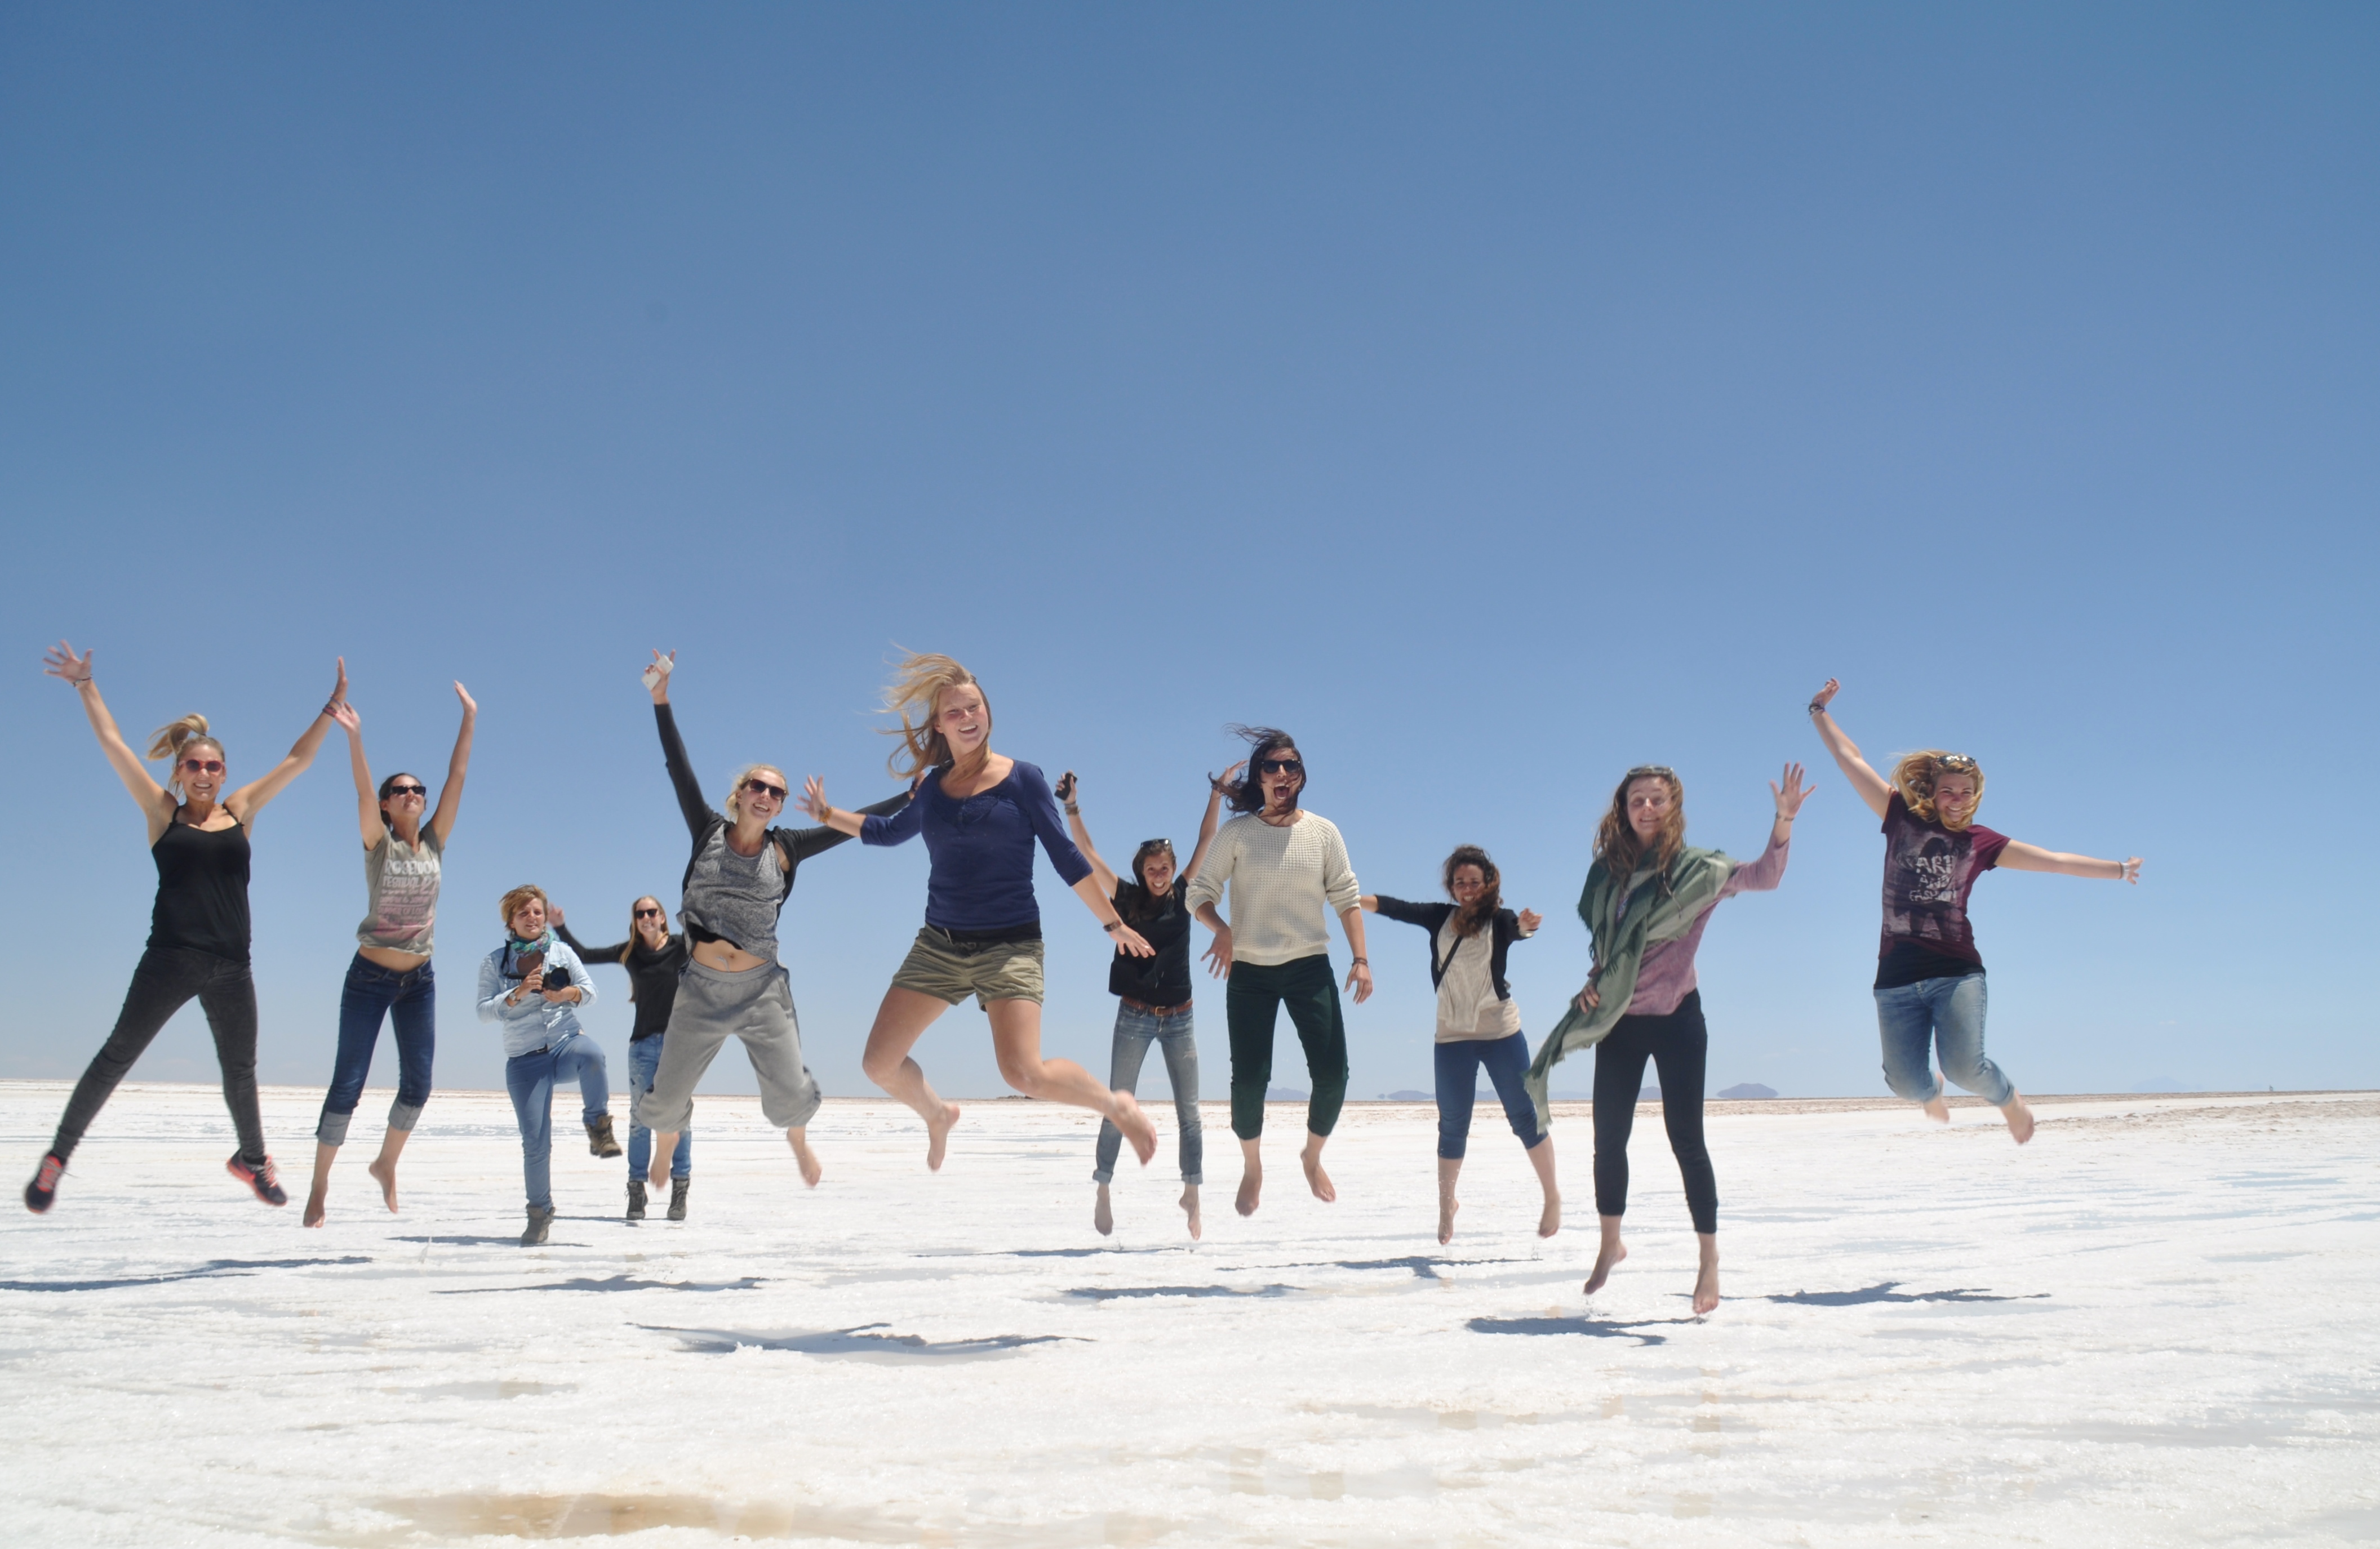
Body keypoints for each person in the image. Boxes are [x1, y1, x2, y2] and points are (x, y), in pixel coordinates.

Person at [799, 652, 1161, 1173]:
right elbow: (888, 833)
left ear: (988, 712)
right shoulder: (931, 788)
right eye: (954, 712)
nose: (967, 718)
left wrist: (1112, 922)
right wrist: (828, 814)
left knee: (1023, 1074)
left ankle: (1114, 1106)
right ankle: (938, 1115)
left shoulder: (1023, 780)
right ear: (940, 726)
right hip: (939, 945)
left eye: (974, 708)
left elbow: (1066, 857)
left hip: (1010, 945)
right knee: (878, 1063)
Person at [25, 642, 342, 1214]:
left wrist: (328, 709)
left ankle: (252, 1158)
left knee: (241, 1068)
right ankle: (57, 1157)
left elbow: (298, 760)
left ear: (225, 772)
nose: (203, 772)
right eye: (193, 764)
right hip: (170, 958)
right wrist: (85, 684)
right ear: (179, 770)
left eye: (213, 765)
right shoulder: (161, 812)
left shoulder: (242, 810)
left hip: (231, 964)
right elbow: (114, 744)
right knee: (117, 1055)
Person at [1525, 763, 1810, 1315]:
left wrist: (1784, 821)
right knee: (1609, 1139)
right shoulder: (1608, 874)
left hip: (1679, 1018)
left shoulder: (1699, 870)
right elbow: (1610, 951)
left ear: (1673, 806)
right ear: (1623, 808)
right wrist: (1593, 984)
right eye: (1637, 800)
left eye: (1657, 799)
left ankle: (1708, 1258)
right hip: (1621, 1022)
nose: (1647, 808)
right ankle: (1612, 1241)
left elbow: (1764, 876)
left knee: (1688, 1142)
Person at [1806, 678, 2143, 1144]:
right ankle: (1930, 1093)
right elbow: (1851, 760)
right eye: (1948, 791)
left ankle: (2008, 1099)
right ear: (1934, 791)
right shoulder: (1900, 816)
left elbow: (2055, 862)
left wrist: (2119, 869)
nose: (1957, 800)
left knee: (1966, 1067)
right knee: (1905, 1084)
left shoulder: (1984, 844)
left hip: (1956, 972)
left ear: (1976, 796)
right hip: (1896, 976)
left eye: (1966, 792)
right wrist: (1818, 710)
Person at [634, 650, 911, 1202]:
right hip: (702, 989)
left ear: (782, 805)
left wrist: (912, 795)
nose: (766, 795)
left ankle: (800, 1141)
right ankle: (667, 1141)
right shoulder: (707, 830)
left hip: (763, 990)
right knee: (665, 1100)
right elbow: (678, 767)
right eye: (758, 786)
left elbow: (860, 824)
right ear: (739, 795)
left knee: (789, 1092)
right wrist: (661, 699)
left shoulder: (788, 849)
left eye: (776, 792)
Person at [301, 680, 477, 1226]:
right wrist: (354, 738)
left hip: (419, 980)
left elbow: (458, 777)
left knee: (419, 1085)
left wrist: (469, 716)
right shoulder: (381, 846)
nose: (412, 794)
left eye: (416, 789)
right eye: (400, 789)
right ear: (386, 802)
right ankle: (320, 1184)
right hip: (370, 977)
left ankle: (385, 1162)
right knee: (348, 1085)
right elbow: (359, 792)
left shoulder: (436, 841)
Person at [1184, 727, 1372, 1218]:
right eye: (1272, 767)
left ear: (1302, 775)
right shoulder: (1238, 834)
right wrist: (1221, 928)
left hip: (1310, 968)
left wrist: (1361, 959)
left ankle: (1312, 1156)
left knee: (1334, 1075)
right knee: (1249, 1080)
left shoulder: (1324, 832)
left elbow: (1347, 898)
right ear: (1259, 777)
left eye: (1291, 765)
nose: (1282, 774)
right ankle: (1253, 1166)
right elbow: (1197, 893)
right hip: (1250, 973)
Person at [1055, 765, 1230, 1239]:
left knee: (1190, 1113)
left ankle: (1192, 1192)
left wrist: (1215, 795)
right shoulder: (1127, 899)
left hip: (1181, 1019)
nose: (1159, 874)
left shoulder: (1184, 894)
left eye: (1165, 868)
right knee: (1118, 1103)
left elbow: (1206, 838)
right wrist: (1072, 806)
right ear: (1142, 870)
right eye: (1152, 868)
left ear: (1174, 871)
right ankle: (1104, 1187)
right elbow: (1087, 854)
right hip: (1133, 1016)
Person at [1361, 845, 1557, 1244]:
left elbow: (1519, 930)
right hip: (1452, 1036)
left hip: (1500, 1032)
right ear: (1451, 887)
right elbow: (1396, 907)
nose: (1467, 889)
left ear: (1487, 885)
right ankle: (1446, 1205)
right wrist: (1350, 897)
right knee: (1453, 1125)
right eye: (1460, 882)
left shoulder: (1499, 920)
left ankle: (1552, 1196)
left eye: (1474, 882)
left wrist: (1527, 926)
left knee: (1525, 1116)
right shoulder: (1440, 918)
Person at [476, 884, 612, 1246]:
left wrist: (569, 993)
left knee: (593, 1055)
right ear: (511, 921)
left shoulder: (562, 953)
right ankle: (540, 1213)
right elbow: (483, 1012)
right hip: (524, 1059)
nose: (532, 918)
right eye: (524, 913)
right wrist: (517, 993)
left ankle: (598, 1127)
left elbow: (592, 992)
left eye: (537, 911)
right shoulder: (494, 962)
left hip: (566, 1044)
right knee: (536, 1143)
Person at [555, 895, 690, 1221]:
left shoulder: (682, 946)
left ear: (661, 917)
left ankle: (680, 1189)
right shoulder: (629, 952)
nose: (646, 916)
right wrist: (560, 927)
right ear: (635, 920)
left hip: (680, 1045)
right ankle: (636, 1191)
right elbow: (584, 955)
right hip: (642, 1046)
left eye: (652, 912)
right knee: (640, 1118)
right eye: (640, 913)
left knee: (679, 1117)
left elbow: (712, 939)